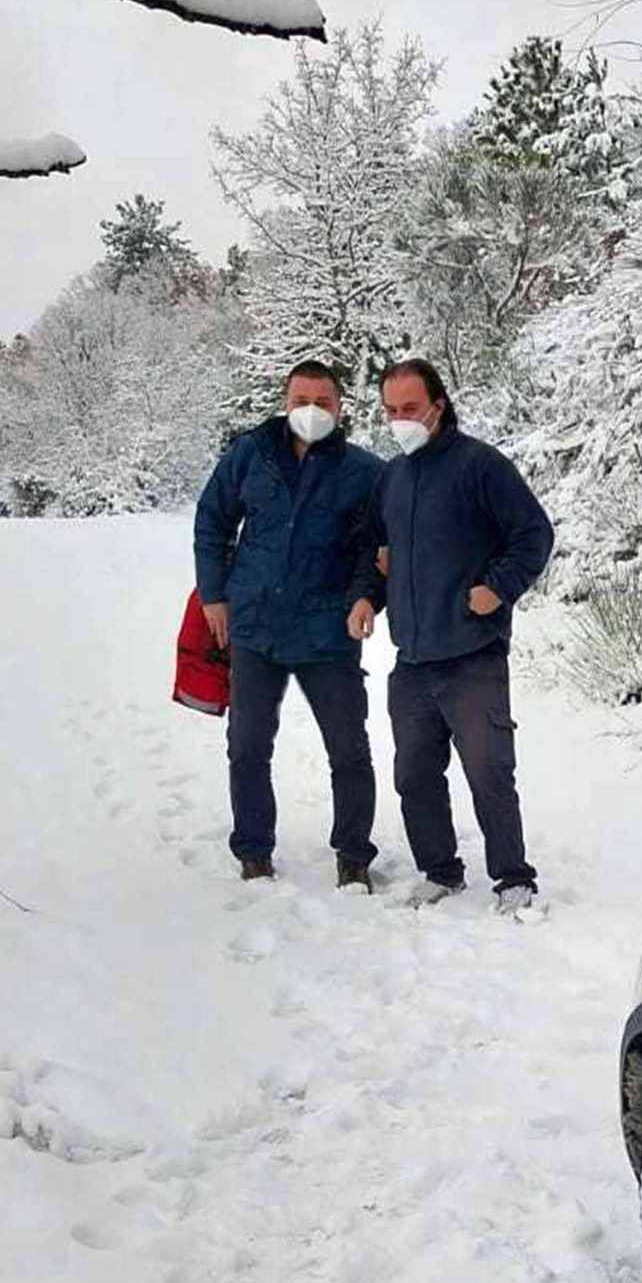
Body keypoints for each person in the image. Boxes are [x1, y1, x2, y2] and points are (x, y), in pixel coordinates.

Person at [348, 358, 554, 912]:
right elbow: (375, 549)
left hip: (472, 655)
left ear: (438, 406)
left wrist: (498, 587)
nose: (400, 420)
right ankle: (440, 871)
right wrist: (366, 595)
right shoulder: (392, 479)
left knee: (489, 773)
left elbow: (533, 534)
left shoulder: (481, 467)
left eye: (410, 408)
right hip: (412, 659)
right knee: (414, 776)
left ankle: (513, 879)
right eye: (390, 410)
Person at [194, 359, 386, 889]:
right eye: (302, 401)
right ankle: (253, 850)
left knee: (349, 750)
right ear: (285, 402)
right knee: (247, 746)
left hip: (329, 632)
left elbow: (375, 550)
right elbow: (212, 520)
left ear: (340, 407)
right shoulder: (251, 454)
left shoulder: (365, 473)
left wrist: (365, 599)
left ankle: (354, 855)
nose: (312, 411)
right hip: (255, 626)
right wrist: (214, 594)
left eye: (323, 402)